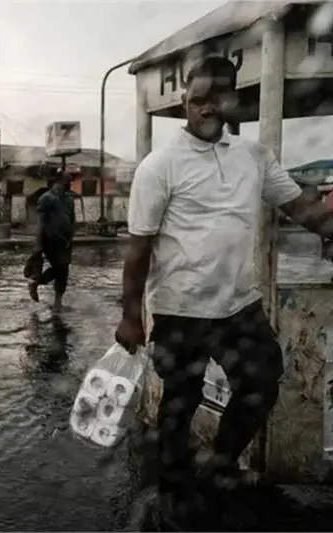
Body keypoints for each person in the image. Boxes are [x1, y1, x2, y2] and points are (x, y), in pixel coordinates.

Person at [114, 56, 333, 525]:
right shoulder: (160, 166)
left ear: (233, 99)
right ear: (185, 103)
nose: (207, 108)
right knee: (180, 399)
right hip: (179, 309)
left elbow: (299, 207)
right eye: (197, 100)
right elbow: (139, 249)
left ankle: (218, 465)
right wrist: (130, 314)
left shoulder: (253, 157)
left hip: (239, 304)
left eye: (218, 97)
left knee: (261, 379)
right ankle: (173, 491)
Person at [26, 168, 78, 312]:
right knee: (60, 268)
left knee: (63, 271)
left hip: (65, 241)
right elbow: (41, 221)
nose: (70, 184)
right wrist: (38, 244)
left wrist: (71, 237)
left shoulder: (68, 200)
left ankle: (57, 302)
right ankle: (36, 282)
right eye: (68, 181)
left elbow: (72, 220)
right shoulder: (47, 198)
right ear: (60, 180)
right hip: (51, 239)